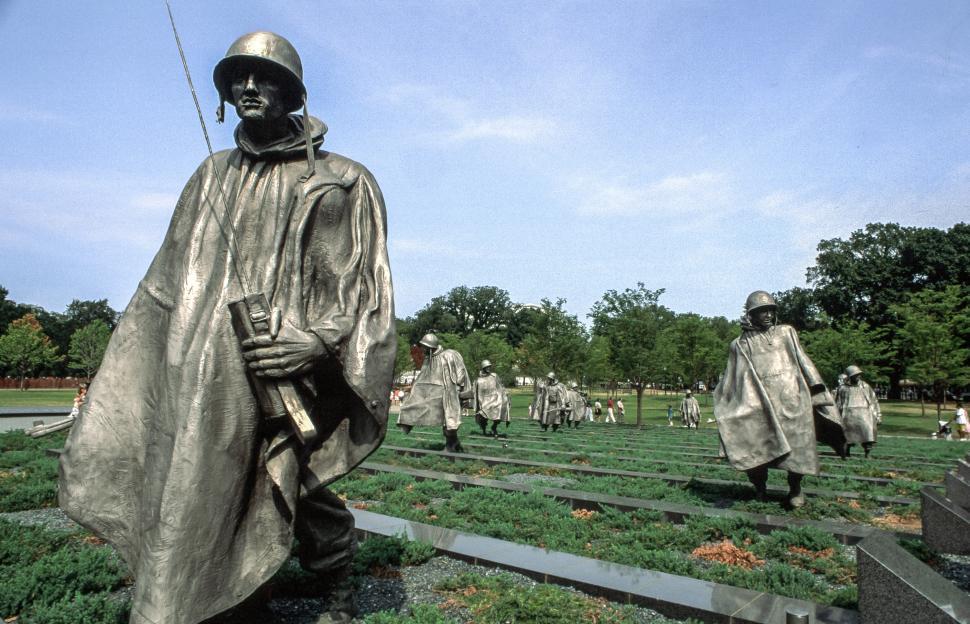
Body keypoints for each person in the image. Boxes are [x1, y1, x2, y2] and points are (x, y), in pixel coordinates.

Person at [58, 31, 394, 624]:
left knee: (297, 479)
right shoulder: (210, 175)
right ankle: (223, 597)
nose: (246, 87)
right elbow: (165, 281)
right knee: (206, 482)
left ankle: (335, 571)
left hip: (295, 364)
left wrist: (314, 342)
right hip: (208, 369)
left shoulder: (343, 179)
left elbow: (362, 287)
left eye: (263, 77)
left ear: (290, 90)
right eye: (236, 78)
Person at [713, 291, 844, 508]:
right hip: (758, 404)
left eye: (770, 310)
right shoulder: (739, 344)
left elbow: (802, 359)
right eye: (760, 311)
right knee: (755, 449)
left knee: (797, 450)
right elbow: (731, 378)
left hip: (792, 400)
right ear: (750, 315)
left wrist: (816, 389)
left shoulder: (786, 332)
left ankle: (795, 489)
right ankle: (760, 488)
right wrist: (726, 404)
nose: (766, 314)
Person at [398, 333, 471, 452]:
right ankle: (408, 422)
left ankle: (452, 444)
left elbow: (460, 370)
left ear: (431, 347)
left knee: (449, 422)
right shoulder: (428, 359)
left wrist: (459, 386)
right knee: (414, 405)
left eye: (425, 347)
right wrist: (414, 392)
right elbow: (422, 378)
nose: (423, 349)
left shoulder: (450, 354)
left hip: (449, 393)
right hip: (434, 394)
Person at [835, 365, 881, 457]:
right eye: (856, 375)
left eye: (859, 374)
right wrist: (837, 417)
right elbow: (838, 403)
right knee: (847, 435)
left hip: (865, 414)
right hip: (848, 415)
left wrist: (878, 415)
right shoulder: (843, 388)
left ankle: (867, 452)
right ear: (850, 376)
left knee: (868, 435)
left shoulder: (865, 386)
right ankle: (846, 451)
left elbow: (874, 401)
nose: (858, 376)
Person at [472, 359, 509, 437]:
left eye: (489, 366)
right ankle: (484, 429)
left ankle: (494, 427)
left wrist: (504, 392)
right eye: (487, 367)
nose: (489, 368)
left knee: (502, 405)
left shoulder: (494, 376)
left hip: (495, 399)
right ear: (483, 368)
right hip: (484, 402)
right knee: (483, 415)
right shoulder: (478, 380)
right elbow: (476, 392)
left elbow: (500, 386)